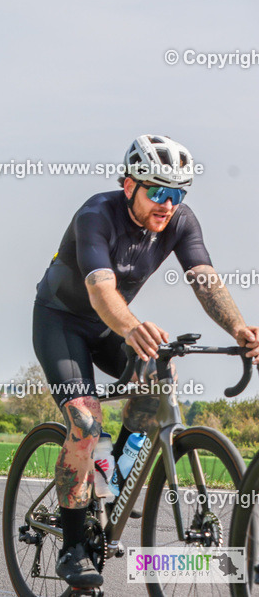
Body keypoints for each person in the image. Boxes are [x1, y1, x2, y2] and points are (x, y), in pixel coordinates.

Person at [33, 135, 259, 589]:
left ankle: (113, 471)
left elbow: (205, 280)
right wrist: (132, 325)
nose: (168, 204)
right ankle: (74, 546)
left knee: (162, 374)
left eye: (177, 194)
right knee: (85, 421)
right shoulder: (96, 215)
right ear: (129, 184)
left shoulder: (180, 221)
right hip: (63, 322)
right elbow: (99, 289)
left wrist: (238, 329)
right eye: (158, 192)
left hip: (113, 325)